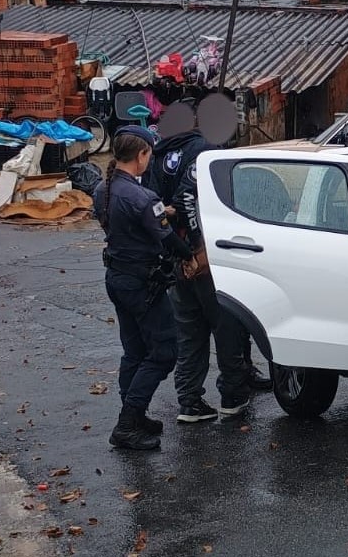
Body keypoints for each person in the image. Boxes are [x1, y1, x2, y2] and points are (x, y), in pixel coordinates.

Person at [144, 124, 261, 424]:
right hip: (206, 255)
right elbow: (185, 197)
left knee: (189, 333)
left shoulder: (159, 153)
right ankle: (232, 396)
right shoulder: (205, 151)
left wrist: (174, 247)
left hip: (175, 254)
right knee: (227, 327)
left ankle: (189, 401)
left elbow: (154, 204)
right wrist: (196, 247)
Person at [93, 126, 195, 451]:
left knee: (135, 351)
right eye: (149, 155)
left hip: (117, 278)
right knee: (164, 352)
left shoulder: (102, 189)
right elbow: (166, 238)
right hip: (142, 284)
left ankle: (133, 416)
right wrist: (191, 256)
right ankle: (127, 422)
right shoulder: (142, 197)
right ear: (141, 155)